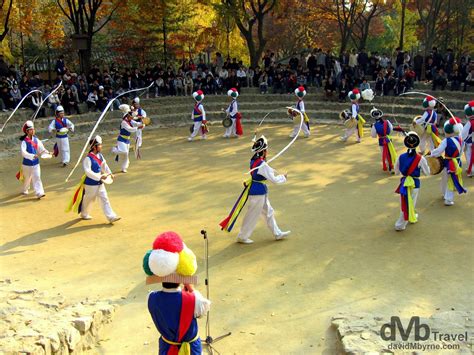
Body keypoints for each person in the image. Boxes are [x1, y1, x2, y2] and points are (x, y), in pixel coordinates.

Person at [144, 231, 210, 354]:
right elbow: (201, 313)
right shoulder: (194, 298)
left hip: (167, 347)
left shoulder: (151, 298)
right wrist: (191, 289)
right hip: (191, 348)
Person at [219, 136, 291, 244]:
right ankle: (242, 236)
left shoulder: (254, 160)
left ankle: (277, 233)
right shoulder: (262, 165)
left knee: (268, 212)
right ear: (264, 151)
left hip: (259, 191)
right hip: (258, 193)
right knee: (252, 215)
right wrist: (283, 177)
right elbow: (274, 180)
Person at [66, 135, 121, 223]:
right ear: (94, 147)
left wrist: (110, 174)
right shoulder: (88, 159)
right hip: (90, 184)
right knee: (88, 199)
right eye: (99, 145)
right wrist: (99, 176)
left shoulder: (100, 156)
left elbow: (104, 166)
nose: (101, 147)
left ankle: (111, 216)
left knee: (104, 198)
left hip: (100, 182)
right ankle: (84, 213)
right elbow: (88, 172)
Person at [394, 132, 430, 231]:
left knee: (405, 201)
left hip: (404, 182)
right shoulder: (421, 158)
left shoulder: (400, 157)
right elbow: (427, 173)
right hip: (415, 183)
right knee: (410, 202)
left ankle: (412, 216)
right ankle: (400, 224)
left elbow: (396, 172)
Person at [429, 119, 467, 206]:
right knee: (451, 180)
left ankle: (447, 198)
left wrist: (431, 153)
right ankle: (447, 196)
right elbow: (461, 152)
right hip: (457, 162)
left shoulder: (446, 141)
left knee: (446, 180)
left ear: (449, 132)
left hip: (448, 163)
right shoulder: (462, 141)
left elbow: (438, 151)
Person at [17, 121, 50, 199]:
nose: (33, 131)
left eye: (33, 129)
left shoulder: (36, 140)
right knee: (27, 179)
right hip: (26, 164)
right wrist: (32, 155)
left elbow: (42, 149)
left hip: (36, 163)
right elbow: (23, 152)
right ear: (27, 131)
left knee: (37, 177)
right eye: (31, 129)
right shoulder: (24, 142)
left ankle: (39, 192)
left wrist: (48, 153)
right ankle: (25, 189)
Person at [112, 104, 144, 173]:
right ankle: (114, 150)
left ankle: (124, 167)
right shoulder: (124, 122)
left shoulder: (130, 120)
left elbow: (136, 123)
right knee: (125, 152)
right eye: (131, 117)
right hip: (121, 139)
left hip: (127, 140)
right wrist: (138, 127)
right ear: (128, 116)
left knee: (126, 155)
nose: (132, 118)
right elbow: (130, 129)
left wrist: (141, 124)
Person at [370, 107, 397, 173]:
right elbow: (391, 129)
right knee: (391, 151)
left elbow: (373, 135)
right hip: (388, 139)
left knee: (384, 153)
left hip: (382, 140)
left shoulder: (374, 125)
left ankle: (390, 167)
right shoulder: (387, 122)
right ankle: (393, 165)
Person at [461, 101, 474, 177]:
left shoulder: (469, 123)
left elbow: (463, 134)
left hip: (470, 143)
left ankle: (472, 169)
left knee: (469, 155)